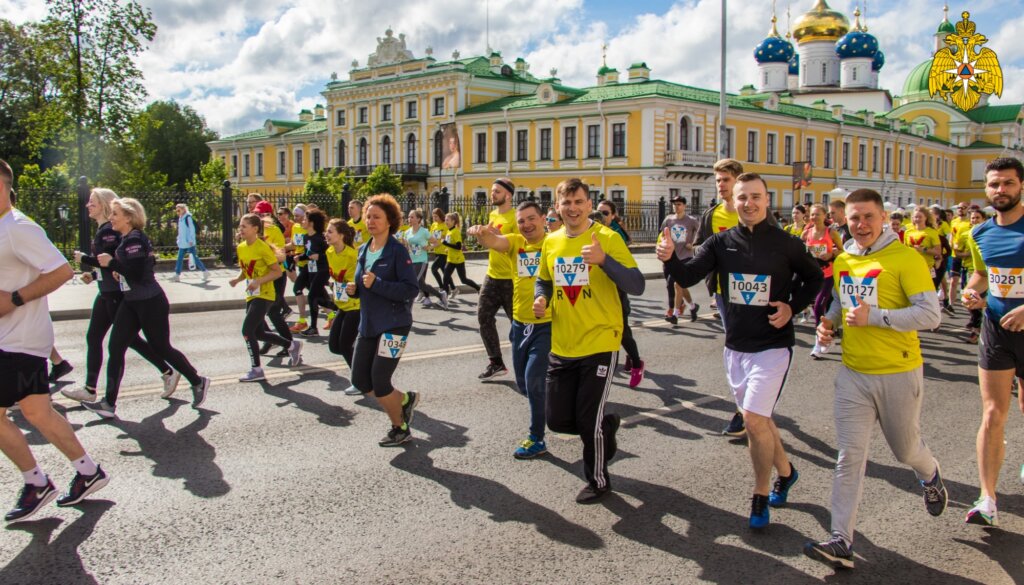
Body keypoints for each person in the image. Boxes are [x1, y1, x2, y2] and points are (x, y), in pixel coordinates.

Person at [658, 172, 822, 529]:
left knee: (752, 420)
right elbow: (686, 277)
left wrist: (792, 307)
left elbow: (815, 277)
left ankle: (761, 494)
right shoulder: (719, 242)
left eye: (756, 197)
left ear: (766, 200)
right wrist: (670, 258)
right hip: (736, 346)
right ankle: (788, 472)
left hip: (773, 345)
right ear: (732, 201)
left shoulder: (786, 243)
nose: (748, 203)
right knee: (760, 419)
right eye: (741, 197)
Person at [804, 188, 946, 569]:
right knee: (849, 455)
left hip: (898, 372)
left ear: (883, 217)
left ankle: (929, 473)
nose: (861, 225)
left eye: (868, 216)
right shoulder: (846, 256)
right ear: (843, 220)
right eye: (853, 218)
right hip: (853, 373)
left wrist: (876, 317)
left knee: (906, 451)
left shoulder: (906, 258)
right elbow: (840, 300)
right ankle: (841, 539)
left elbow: (930, 315)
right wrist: (829, 322)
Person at [0, 158, 111, 523]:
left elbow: (62, 269)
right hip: (9, 339)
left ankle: (36, 481)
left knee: (25, 414)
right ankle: (87, 470)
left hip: (19, 339)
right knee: (37, 413)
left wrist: (14, 299)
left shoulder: (19, 228)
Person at [533, 178, 644, 503]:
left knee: (585, 420)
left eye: (579, 201)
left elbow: (636, 284)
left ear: (588, 203)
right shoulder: (551, 242)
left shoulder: (607, 238)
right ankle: (606, 427)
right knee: (556, 420)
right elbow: (543, 279)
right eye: (566, 203)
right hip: (563, 343)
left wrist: (603, 261)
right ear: (557, 206)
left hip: (600, 341)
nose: (573, 208)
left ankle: (598, 480)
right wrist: (541, 299)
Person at [82, 198, 210, 418]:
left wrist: (111, 264)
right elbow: (131, 270)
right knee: (116, 347)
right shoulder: (125, 239)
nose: (111, 217)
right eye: (111, 213)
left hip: (151, 302)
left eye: (115, 214)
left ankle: (198, 381)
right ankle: (108, 404)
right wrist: (113, 269)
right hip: (131, 302)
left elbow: (137, 274)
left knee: (161, 347)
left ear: (129, 218)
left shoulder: (135, 240)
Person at [64, 188, 177, 403]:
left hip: (115, 293)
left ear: (104, 205)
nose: (88, 205)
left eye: (92, 202)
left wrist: (86, 260)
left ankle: (167, 370)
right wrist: (93, 273)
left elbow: (115, 261)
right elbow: (110, 262)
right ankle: (90, 389)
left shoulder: (107, 231)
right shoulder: (105, 229)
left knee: (125, 340)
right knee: (96, 337)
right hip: (105, 291)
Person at [961, 157, 1024, 526]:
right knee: (992, 413)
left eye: (1008, 184)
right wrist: (971, 292)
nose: (1000, 191)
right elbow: (982, 275)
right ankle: (987, 498)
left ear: (1020, 186)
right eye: (994, 185)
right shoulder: (980, 234)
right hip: (997, 329)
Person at [475, 201, 551, 458]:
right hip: (520, 324)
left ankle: (536, 437)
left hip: (547, 324)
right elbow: (495, 242)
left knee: (533, 379)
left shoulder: (554, 244)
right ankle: (552, 403)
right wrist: (481, 233)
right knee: (524, 384)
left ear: (543, 218)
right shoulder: (516, 243)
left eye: (532, 219)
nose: (526, 225)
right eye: (521, 221)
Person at [346, 194, 421, 446]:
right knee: (360, 380)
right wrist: (353, 289)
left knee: (380, 383)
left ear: (390, 221)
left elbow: (410, 289)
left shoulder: (398, 251)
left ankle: (399, 427)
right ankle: (404, 400)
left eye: (376, 216)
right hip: (368, 324)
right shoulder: (363, 250)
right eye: (368, 215)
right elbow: (362, 282)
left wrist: (378, 284)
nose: (370, 220)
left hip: (394, 325)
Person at [229, 214, 303, 382]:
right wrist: (237, 279)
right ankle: (292, 345)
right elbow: (247, 269)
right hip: (252, 294)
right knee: (259, 333)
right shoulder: (241, 247)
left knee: (247, 331)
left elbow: (277, 271)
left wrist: (258, 281)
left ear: (255, 229)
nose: (240, 229)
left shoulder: (262, 247)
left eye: (244, 226)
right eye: (240, 226)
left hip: (266, 294)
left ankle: (256, 370)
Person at [470, 178, 519, 381]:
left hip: (511, 279)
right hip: (492, 276)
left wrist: (501, 238)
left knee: (518, 325)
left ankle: (530, 361)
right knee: (483, 318)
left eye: (497, 191)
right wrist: (481, 234)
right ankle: (496, 362)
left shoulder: (516, 218)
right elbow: (489, 245)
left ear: (507, 195)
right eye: (492, 190)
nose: (492, 194)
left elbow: (522, 245)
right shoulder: (492, 214)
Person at [598, 199, 644, 387]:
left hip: (617, 291)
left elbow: (628, 272)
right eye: (598, 212)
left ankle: (636, 362)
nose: (601, 216)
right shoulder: (594, 233)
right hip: (599, 292)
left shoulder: (615, 235)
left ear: (613, 215)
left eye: (605, 213)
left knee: (623, 331)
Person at [320, 219, 362, 395]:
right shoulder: (329, 252)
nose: (326, 235)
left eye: (330, 232)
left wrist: (352, 285)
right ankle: (363, 367)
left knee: (345, 345)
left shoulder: (352, 255)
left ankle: (360, 381)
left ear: (341, 235)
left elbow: (360, 279)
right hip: (342, 305)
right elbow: (335, 277)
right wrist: (334, 284)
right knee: (334, 346)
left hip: (356, 306)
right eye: (326, 232)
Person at [803, 204, 843, 359]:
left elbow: (842, 251)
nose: (814, 217)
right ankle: (828, 335)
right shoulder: (807, 233)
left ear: (825, 216)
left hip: (828, 274)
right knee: (818, 306)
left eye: (817, 214)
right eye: (812, 215)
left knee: (819, 304)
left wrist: (832, 253)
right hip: (813, 275)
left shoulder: (831, 232)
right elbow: (801, 251)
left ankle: (819, 341)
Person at [659, 196, 701, 324]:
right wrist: (663, 245)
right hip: (671, 257)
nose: (676, 207)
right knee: (677, 286)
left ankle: (675, 314)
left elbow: (701, 233)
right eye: (674, 204)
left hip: (685, 257)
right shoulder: (669, 220)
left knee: (677, 284)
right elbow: (661, 235)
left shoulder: (691, 220)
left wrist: (693, 243)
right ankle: (693, 307)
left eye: (679, 204)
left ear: (684, 206)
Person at [403, 209, 448, 309]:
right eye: (409, 217)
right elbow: (407, 247)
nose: (409, 219)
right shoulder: (407, 232)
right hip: (411, 261)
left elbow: (436, 242)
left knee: (413, 282)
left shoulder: (424, 232)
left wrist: (429, 247)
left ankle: (407, 308)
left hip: (421, 260)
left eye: (412, 217)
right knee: (421, 285)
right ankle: (441, 295)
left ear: (418, 219)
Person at [295, 210, 330, 337]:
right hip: (310, 268)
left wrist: (319, 256)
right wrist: (300, 257)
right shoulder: (306, 237)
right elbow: (308, 254)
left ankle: (313, 327)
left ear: (312, 223)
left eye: (305, 219)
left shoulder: (321, 238)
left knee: (312, 297)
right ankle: (338, 309)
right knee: (299, 288)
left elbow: (330, 254)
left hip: (322, 269)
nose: (302, 221)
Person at [958, 208, 986, 344]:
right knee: (971, 302)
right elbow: (957, 250)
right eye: (973, 218)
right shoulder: (971, 234)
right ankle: (977, 327)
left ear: (984, 220)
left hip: (990, 277)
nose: (974, 220)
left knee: (982, 305)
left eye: (977, 218)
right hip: (972, 272)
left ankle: (977, 329)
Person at [904, 207, 942, 292]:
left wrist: (924, 250)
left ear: (926, 217)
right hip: (911, 267)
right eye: (915, 217)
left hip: (927, 267)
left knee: (926, 293)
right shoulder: (908, 232)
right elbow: (905, 248)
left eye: (920, 217)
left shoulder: (932, 232)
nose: (917, 219)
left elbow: (938, 252)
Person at [441, 212, 480, 294]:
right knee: (445, 278)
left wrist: (446, 244)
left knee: (463, 280)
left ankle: (478, 288)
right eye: (445, 220)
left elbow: (458, 247)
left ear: (453, 221)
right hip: (450, 259)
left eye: (447, 220)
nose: (446, 222)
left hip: (458, 260)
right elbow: (452, 245)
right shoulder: (449, 231)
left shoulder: (456, 232)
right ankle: (444, 297)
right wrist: (447, 248)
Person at [170, 203, 210, 282]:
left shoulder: (188, 218)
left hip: (189, 243)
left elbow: (192, 230)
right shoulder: (180, 218)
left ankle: (205, 272)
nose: (177, 212)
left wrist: (191, 240)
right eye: (176, 211)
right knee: (179, 258)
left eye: (179, 210)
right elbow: (180, 231)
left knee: (195, 258)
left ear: (184, 210)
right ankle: (177, 275)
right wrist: (178, 239)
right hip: (182, 243)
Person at [285, 205, 310, 332]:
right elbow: (294, 244)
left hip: (309, 264)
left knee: (298, 289)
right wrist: (282, 248)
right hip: (300, 264)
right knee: (316, 294)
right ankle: (331, 315)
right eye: (294, 216)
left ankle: (302, 321)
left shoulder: (309, 227)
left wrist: (303, 255)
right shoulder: (295, 227)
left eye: (298, 216)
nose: (295, 218)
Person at [428, 208, 449, 292]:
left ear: (440, 216)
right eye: (433, 216)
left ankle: (442, 288)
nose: (434, 218)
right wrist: (429, 243)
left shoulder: (445, 225)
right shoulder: (433, 225)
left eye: (436, 216)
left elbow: (442, 240)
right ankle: (453, 289)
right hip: (436, 251)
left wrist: (432, 246)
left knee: (433, 269)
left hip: (443, 252)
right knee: (444, 272)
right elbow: (430, 237)